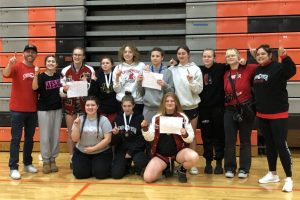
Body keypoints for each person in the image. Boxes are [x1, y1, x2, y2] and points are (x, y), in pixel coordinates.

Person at [253, 45, 296, 192]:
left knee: (281, 145)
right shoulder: (257, 70)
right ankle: (272, 173)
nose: (260, 56)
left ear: (270, 55)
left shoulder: (279, 67)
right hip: (262, 115)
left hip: (278, 115)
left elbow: (292, 70)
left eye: (263, 54)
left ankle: (289, 178)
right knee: (270, 145)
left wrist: (285, 56)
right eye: (258, 54)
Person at [142, 92, 199, 183]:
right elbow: (150, 138)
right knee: (148, 178)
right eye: (167, 101)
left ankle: (182, 169)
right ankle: (167, 166)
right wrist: (145, 128)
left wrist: (185, 134)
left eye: (172, 101)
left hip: (178, 153)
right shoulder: (157, 118)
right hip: (161, 155)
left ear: (176, 103)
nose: (169, 103)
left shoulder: (183, 117)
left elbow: (190, 138)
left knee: (194, 157)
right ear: (163, 103)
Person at [3, 44, 39, 179]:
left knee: (29, 139)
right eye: (28, 51)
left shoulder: (36, 70)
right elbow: (6, 74)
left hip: (32, 109)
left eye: (33, 52)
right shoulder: (17, 66)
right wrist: (9, 64)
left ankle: (27, 163)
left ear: (36, 55)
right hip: (17, 110)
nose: (30, 54)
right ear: (24, 53)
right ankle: (13, 167)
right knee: (16, 139)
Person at [223, 48, 257, 179]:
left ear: (238, 57)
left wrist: (248, 60)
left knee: (245, 141)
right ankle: (230, 168)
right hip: (229, 110)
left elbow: (261, 66)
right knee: (229, 141)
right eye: (228, 56)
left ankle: (244, 169)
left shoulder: (248, 69)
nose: (230, 57)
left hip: (244, 109)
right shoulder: (225, 72)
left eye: (233, 55)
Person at [169, 45, 203, 175]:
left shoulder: (195, 69)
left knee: (191, 135)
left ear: (188, 54)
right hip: (178, 109)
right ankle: (177, 163)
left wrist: (191, 82)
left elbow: (199, 90)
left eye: (183, 53)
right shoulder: (173, 69)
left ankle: (192, 164)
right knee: (176, 136)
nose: (181, 55)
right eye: (179, 54)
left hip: (191, 107)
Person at [60, 47, 95, 169]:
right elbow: (61, 90)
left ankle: (85, 155)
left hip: (85, 105)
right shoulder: (65, 70)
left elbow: (93, 88)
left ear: (83, 57)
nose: (77, 57)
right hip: (70, 105)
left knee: (85, 132)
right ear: (72, 56)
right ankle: (71, 157)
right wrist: (63, 90)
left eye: (79, 55)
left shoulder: (89, 70)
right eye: (75, 55)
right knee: (71, 132)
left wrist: (88, 83)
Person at [198, 49, 227, 174]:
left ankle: (219, 162)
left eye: (209, 56)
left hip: (218, 108)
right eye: (204, 56)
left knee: (219, 136)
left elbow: (235, 64)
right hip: (204, 109)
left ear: (214, 58)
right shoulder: (198, 70)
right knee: (206, 136)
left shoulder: (221, 68)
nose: (207, 58)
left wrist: (242, 61)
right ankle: (208, 162)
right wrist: (175, 62)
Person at [32, 55, 62, 174]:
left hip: (57, 109)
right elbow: (34, 88)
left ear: (56, 64)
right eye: (48, 61)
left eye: (53, 61)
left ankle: (53, 159)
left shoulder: (59, 77)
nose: (50, 63)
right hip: (43, 110)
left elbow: (64, 91)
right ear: (45, 63)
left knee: (55, 135)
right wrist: (35, 74)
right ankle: (45, 160)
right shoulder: (41, 77)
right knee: (45, 136)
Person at [71, 96, 112, 179]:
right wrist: (76, 126)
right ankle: (90, 167)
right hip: (82, 152)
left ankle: (95, 167)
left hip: (101, 152)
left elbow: (108, 139)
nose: (90, 107)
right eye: (87, 105)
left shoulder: (104, 120)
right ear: (85, 107)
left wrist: (93, 149)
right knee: (80, 175)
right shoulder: (79, 120)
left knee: (100, 174)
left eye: (93, 105)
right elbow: (74, 139)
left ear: (97, 106)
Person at [111, 92, 149, 179]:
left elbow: (142, 139)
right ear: (121, 106)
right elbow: (113, 142)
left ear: (133, 105)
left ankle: (135, 164)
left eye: (129, 106)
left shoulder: (140, 118)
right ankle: (128, 166)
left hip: (136, 150)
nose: (127, 108)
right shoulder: (117, 119)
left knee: (141, 161)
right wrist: (115, 135)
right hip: (122, 150)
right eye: (125, 106)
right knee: (116, 175)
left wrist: (131, 152)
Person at [137, 47, 175, 123]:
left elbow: (172, 92)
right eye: (153, 56)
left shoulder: (167, 72)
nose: (155, 58)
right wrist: (139, 82)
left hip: (162, 108)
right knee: (148, 133)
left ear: (162, 58)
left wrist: (165, 85)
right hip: (148, 108)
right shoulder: (145, 71)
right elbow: (141, 92)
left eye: (157, 56)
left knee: (162, 133)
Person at [112, 44, 146, 115]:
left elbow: (146, 86)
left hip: (137, 102)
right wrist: (117, 78)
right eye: (125, 52)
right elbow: (116, 90)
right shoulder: (118, 67)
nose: (127, 54)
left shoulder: (141, 66)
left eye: (130, 52)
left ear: (134, 54)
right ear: (122, 54)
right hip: (122, 103)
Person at [89, 56, 120, 123]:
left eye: (107, 63)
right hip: (102, 109)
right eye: (103, 63)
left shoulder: (116, 75)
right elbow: (92, 93)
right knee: (102, 130)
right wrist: (93, 81)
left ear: (112, 65)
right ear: (101, 65)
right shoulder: (97, 76)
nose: (105, 64)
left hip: (114, 108)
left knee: (113, 130)